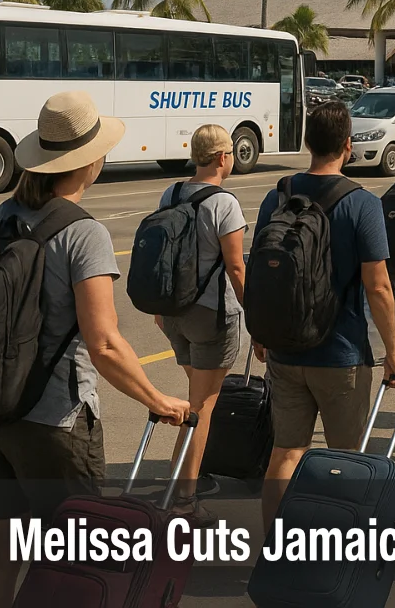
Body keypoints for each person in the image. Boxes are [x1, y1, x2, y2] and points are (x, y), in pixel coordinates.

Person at [0, 92, 190, 608]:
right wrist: (158, 400)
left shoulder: (2, 215)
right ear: (89, 160)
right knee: (77, 563)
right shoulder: (83, 232)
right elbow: (105, 343)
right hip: (53, 424)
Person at [254, 102, 395, 527]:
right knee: (344, 459)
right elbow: (378, 286)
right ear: (347, 145)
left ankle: (276, 542)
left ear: (306, 143)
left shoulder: (278, 195)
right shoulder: (362, 203)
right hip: (340, 353)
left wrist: (260, 333)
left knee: (286, 451)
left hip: (285, 349)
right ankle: (336, 548)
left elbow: (261, 271)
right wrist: (393, 353)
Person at [153, 124, 248, 517]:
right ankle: (184, 501)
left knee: (196, 401)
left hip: (174, 314)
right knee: (202, 408)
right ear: (223, 157)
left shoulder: (171, 193)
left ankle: (183, 479)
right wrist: (257, 316)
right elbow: (237, 267)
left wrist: (161, 312)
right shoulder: (225, 204)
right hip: (211, 316)